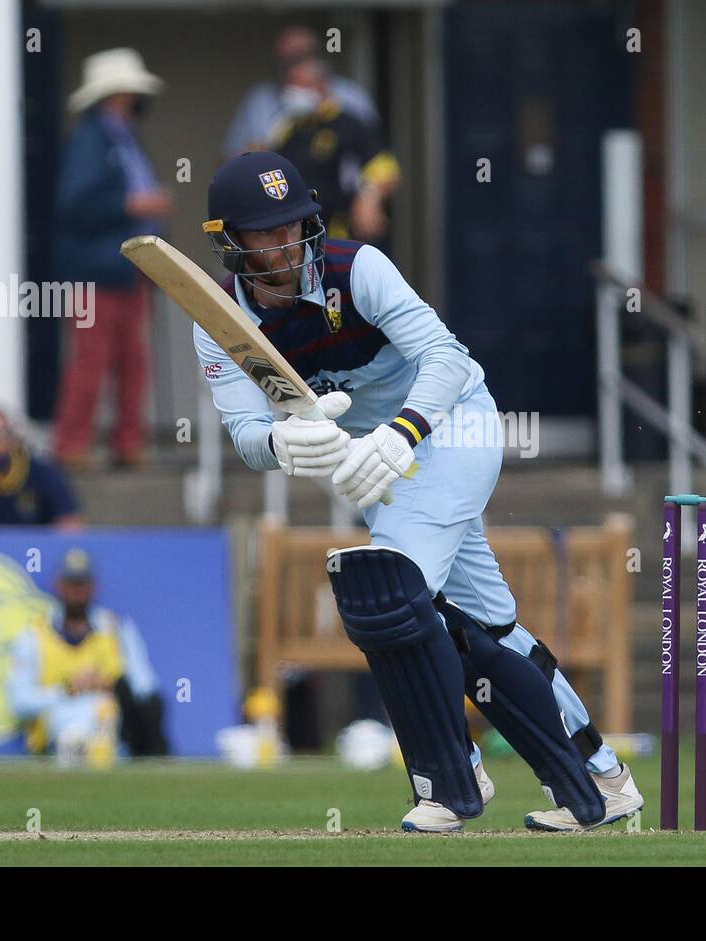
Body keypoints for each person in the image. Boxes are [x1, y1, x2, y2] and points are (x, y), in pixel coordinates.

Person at [194, 152, 641, 831]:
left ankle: (451, 780)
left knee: (391, 592)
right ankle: (602, 779)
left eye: (295, 226)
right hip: (374, 459)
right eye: (266, 233)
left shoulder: (358, 268)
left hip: (452, 425)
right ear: (231, 241)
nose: (286, 244)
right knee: (488, 627)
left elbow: (447, 357)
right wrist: (281, 445)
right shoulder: (221, 319)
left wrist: (403, 432)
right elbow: (247, 432)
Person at [51, 48, 171, 470]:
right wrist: (131, 205)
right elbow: (74, 203)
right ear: (117, 94)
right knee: (92, 359)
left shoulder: (122, 136)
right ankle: (71, 444)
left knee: (133, 361)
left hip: (125, 270)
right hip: (95, 272)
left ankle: (127, 442)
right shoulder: (91, 140)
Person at [8, 548, 169, 757]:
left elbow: (146, 689)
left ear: (94, 587)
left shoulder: (116, 628)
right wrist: (68, 689)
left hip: (112, 733)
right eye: (71, 583)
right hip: (54, 737)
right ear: (58, 585)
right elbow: (18, 701)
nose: (77, 591)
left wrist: (110, 685)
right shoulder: (33, 635)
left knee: (111, 710)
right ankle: (75, 743)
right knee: (71, 724)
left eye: (82, 584)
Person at [260, 51, 399, 242]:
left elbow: (385, 167)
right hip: (294, 232)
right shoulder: (289, 127)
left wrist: (369, 198)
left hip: (335, 233)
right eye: (289, 86)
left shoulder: (347, 124)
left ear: (320, 85)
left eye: (298, 86)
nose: (291, 93)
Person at [223, 25, 379, 159]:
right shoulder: (262, 102)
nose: (298, 65)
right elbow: (232, 158)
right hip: (281, 189)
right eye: (290, 61)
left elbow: (377, 153)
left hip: (342, 191)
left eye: (304, 56)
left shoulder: (350, 99)